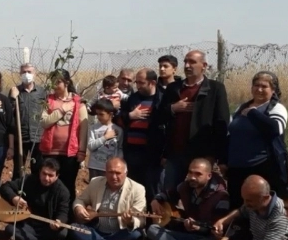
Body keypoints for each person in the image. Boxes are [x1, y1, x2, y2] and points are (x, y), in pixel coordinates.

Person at [158, 50, 230, 194]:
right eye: (185, 61)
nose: (187, 65)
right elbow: (159, 117)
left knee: (201, 194)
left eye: (192, 62)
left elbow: (222, 123)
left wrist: (216, 156)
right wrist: (173, 108)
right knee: (169, 194)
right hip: (175, 154)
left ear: (204, 66)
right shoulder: (174, 88)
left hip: (201, 154)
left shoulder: (215, 89)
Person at [220, 71, 288, 209]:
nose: (259, 89)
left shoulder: (277, 108)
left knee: (260, 206)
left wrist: (253, 113)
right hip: (237, 168)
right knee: (237, 205)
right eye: (256, 85)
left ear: (273, 90)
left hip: (263, 168)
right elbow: (230, 134)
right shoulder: (241, 108)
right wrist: (223, 160)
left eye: (264, 86)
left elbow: (275, 129)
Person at [146, 158, 230, 240]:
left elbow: (217, 229)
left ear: (209, 176)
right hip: (188, 234)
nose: (192, 177)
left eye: (198, 174)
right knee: (153, 229)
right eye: (190, 173)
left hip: (206, 238)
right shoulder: (185, 186)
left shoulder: (221, 197)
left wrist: (198, 228)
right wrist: (155, 200)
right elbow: (167, 194)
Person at [71, 158, 146, 240]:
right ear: (105, 172)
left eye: (118, 173)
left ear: (126, 173)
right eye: (110, 172)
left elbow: (141, 220)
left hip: (120, 232)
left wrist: (130, 221)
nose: (114, 177)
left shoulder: (138, 189)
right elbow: (80, 200)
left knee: (136, 234)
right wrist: (79, 208)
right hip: (96, 229)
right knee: (73, 228)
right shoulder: (95, 182)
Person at [39, 69, 88, 206]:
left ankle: (67, 216)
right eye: (53, 81)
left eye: (58, 81)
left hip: (70, 153)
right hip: (50, 151)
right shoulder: (48, 100)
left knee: (67, 184)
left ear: (66, 82)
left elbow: (84, 129)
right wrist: (61, 110)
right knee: (48, 183)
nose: (55, 84)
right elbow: (44, 122)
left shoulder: (78, 102)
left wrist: (82, 150)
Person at [0, 158, 70, 240]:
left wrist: (59, 222)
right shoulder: (29, 180)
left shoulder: (63, 191)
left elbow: (63, 211)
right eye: (44, 174)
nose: (46, 178)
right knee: (10, 229)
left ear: (57, 176)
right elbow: (5, 187)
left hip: (47, 227)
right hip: (27, 224)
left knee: (63, 233)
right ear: (40, 172)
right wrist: (14, 198)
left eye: (51, 175)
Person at [119, 68, 165, 204]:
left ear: (152, 82)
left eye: (141, 83)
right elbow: (119, 118)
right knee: (132, 188)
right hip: (132, 151)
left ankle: (151, 222)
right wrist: (130, 116)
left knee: (151, 189)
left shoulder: (162, 99)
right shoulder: (133, 98)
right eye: (136, 82)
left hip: (151, 153)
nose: (137, 86)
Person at [10, 62, 46, 179]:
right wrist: (12, 98)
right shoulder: (16, 91)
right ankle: (17, 192)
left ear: (34, 74)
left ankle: (33, 194)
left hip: (38, 137)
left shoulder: (42, 92)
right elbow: (10, 112)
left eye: (29, 72)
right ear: (20, 74)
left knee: (37, 168)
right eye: (24, 72)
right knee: (18, 169)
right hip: (21, 137)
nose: (26, 74)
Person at [86, 99, 123, 179]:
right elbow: (90, 146)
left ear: (110, 114)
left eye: (101, 114)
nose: (98, 117)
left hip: (110, 168)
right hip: (94, 166)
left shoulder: (118, 130)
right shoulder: (93, 128)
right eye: (97, 114)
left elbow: (120, 148)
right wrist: (105, 137)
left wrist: (117, 163)